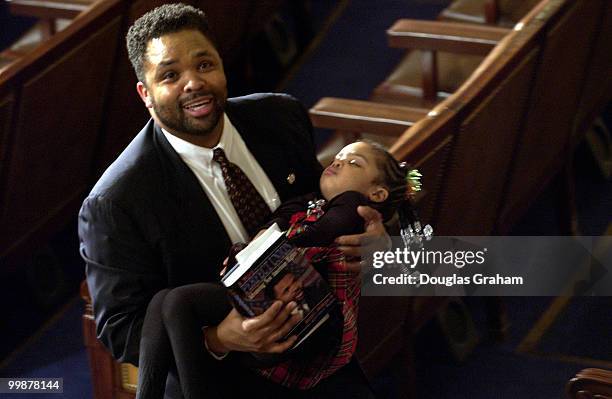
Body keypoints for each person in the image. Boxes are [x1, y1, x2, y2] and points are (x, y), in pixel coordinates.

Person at [78, 3, 388, 399]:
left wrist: (379, 240)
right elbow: (121, 329)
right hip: (222, 381)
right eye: (170, 75)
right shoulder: (116, 201)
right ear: (146, 94)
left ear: (221, 66)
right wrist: (219, 339)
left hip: (320, 351)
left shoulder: (281, 116)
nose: (193, 83)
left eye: (204, 65)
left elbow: (327, 209)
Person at [135, 140, 424, 398]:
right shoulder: (314, 202)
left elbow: (318, 232)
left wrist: (263, 246)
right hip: (281, 305)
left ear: (377, 194)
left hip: (314, 322)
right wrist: (259, 244)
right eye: (339, 155)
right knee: (165, 301)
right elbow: (278, 220)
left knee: (179, 301)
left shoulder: (353, 206)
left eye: (353, 163)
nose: (338, 161)